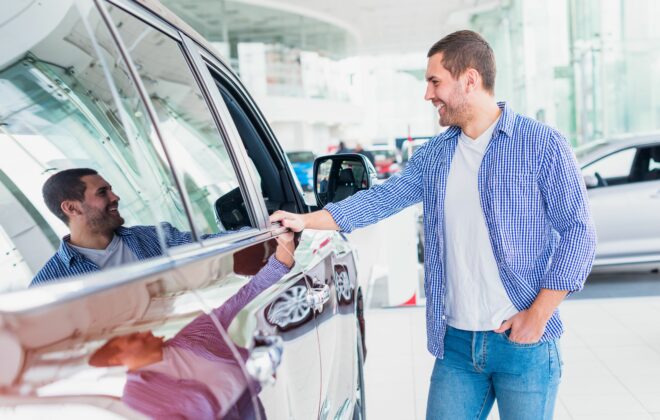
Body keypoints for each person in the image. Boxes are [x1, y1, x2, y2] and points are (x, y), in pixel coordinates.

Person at [271, 30, 596, 419]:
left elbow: (579, 232)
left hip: (524, 344)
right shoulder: (437, 154)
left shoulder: (542, 145)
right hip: (456, 346)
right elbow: (382, 198)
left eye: (435, 81)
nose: (428, 94)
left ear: (470, 80)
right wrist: (305, 221)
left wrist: (538, 314)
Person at [89, 233, 295, 419]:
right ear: (117, 358)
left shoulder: (196, 334)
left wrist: (284, 246)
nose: (145, 332)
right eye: (133, 338)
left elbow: (247, 293)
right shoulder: (136, 396)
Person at [32, 168, 209, 287]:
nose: (115, 197)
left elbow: (214, 246)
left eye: (111, 190)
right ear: (72, 208)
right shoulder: (48, 285)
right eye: (102, 192)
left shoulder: (156, 236)